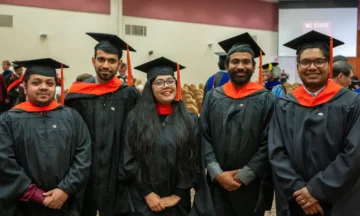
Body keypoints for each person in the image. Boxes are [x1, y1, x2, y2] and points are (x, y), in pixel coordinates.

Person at [269, 30, 360, 216]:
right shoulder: (285, 105)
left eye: (319, 61)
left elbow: (354, 153)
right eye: (305, 62)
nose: (312, 67)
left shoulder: (351, 103)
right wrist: (301, 192)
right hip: (296, 201)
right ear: (297, 66)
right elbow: (277, 152)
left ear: (329, 64)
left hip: (338, 199)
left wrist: (316, 190)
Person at [0, 58, 91, 216]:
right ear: (25, 86)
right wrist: (34, 194)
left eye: (49, 83)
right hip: (23, 206)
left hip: (64, 203)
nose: (43, 87)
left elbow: (83, 154)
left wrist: (65, 189)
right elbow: (4, 162)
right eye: (36, 83)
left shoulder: (72, 117)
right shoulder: (8, 120)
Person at [201, 32, 276, 216]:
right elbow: (204, 135)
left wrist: (245, 175)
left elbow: (271, 141)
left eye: (246, 61)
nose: (240, 66)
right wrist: (217, 173)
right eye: (234, 61)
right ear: (227, 65)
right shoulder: (213, 97)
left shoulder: (267, 99)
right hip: (217, 183)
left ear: (253, 66)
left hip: (252, 184)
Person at [65, 32, 139, 216]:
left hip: (117, 168)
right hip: (85, 167)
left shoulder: (129, 94)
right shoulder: (78, 94)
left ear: (119, 64)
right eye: (101, 59)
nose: (106, 65)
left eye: (112, 61)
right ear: (93, 61)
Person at [123, 57, 199, 216]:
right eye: (159, 82)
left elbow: (193, 158)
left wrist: (178, 193)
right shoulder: (136, 118)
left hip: (178, 202)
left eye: (170, 81)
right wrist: (147, 194)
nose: (166, 86)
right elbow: (129, 159)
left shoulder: (189, 119)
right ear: (150, 87)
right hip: (143, 201)